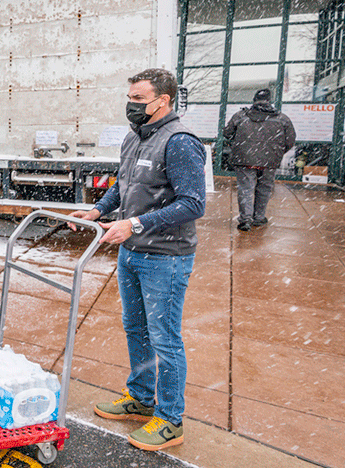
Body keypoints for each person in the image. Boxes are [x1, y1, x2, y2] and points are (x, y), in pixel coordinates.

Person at [67, 68, 205, 452]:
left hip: (166, 257)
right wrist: (98, 211)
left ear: (164, 101)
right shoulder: (135, 137)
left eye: (140, 98)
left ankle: (171, 420)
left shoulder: (179, 142)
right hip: (132, 253)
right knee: (136, 329)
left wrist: (136, 223)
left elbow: (194, 204)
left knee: (165, 339)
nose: (132, 105)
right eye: (130, 97)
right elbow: (123, 185)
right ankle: (142, 399)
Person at [222, 89, 296, 231]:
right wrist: (276, 152)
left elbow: (227, 132)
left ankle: (245, 219)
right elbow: (290, 140)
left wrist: (239, 145)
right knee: (264, 188)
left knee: (245, 189)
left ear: (254, 100)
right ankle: (259, 217)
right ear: (270, 101)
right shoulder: (282, 118)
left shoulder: (241, 115)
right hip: (269, 160)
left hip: (244, 158)